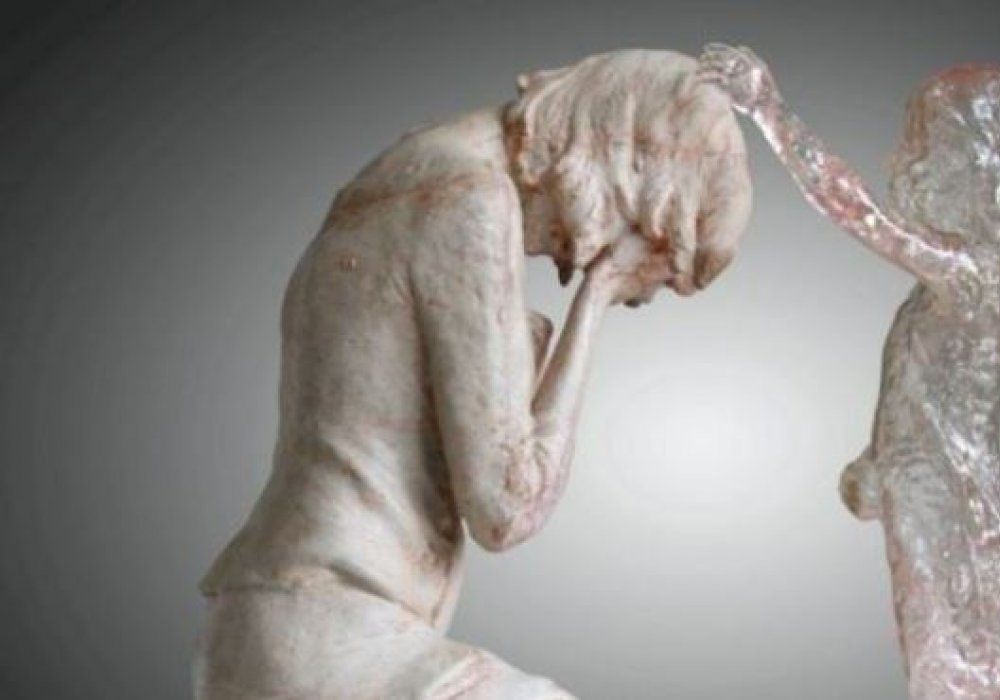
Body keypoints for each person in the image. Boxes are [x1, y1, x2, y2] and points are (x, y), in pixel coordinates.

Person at [196, 49, 752, 699]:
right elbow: (507, 508)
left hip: (284, 620)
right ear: (634, 177)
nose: (573, 255)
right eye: (650, 258)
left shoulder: (411, 172)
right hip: (326, 630)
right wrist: (597, 295)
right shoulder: (467, 201)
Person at [700, 44, 1000, 699]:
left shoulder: (969, 282)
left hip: (964, 545)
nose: (900, 162)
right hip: (936, 523)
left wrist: (770, 111)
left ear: (977, 173)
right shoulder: (939, 293)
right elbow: (924, 384)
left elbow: (859, 212)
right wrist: (879, 458)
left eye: (921, 147)